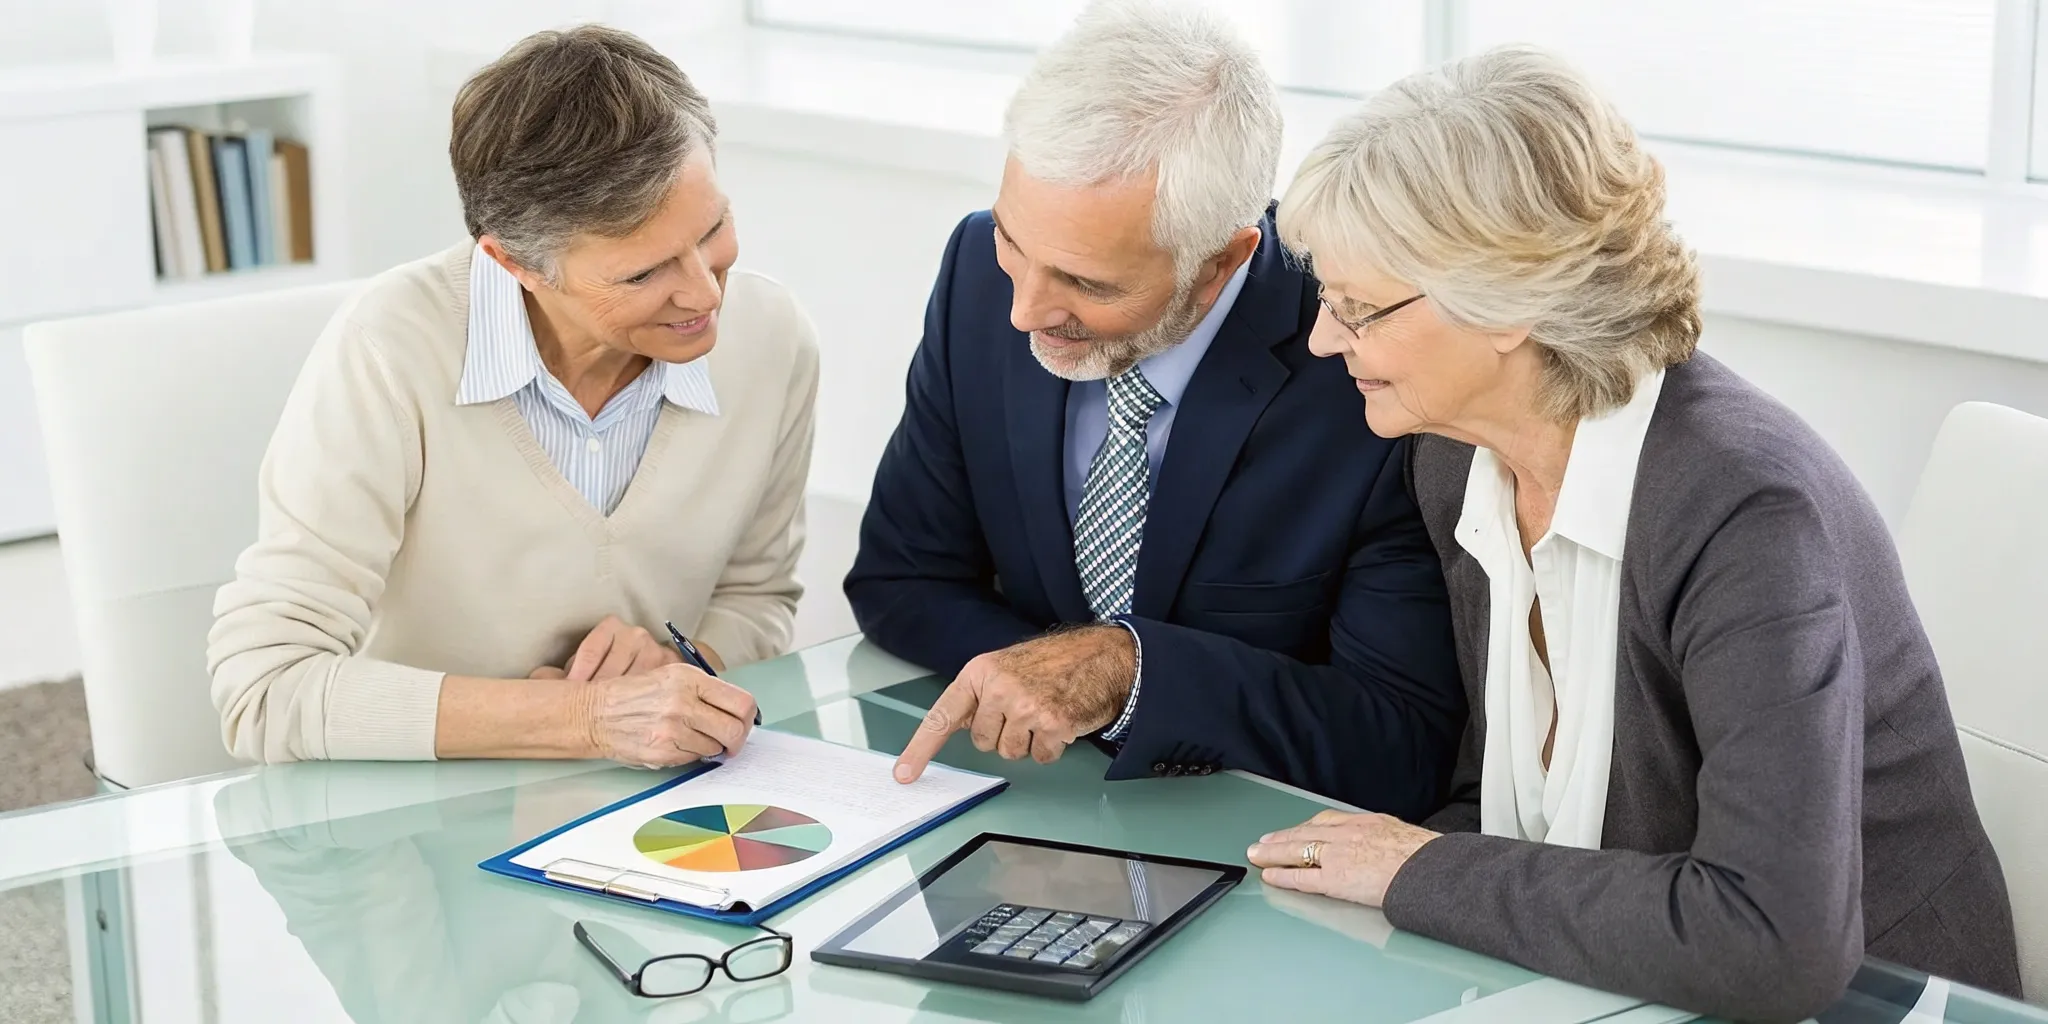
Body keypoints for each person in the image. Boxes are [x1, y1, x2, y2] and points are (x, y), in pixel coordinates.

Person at [1243, 46, 2023, 1020]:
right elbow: (1508, 806)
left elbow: (1773, 945)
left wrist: (1420, 871)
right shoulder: (1458, 458)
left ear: (1507, 302)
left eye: (1357, 310)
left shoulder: (1743, 514)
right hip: (1614, 982)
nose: (1323, 340)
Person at [849, 0, 1463, 818]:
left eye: (1087, 283)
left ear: (1224, 259)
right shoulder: (976, 268)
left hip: (1252, 849)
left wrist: (1129, 675)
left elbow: (1401, 741)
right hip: (1018, 804)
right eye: (1013, 242)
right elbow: (901, 579)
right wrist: (1050, 682)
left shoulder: (1362, 371)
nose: (1024, 310)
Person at [208, 26, 818, 766]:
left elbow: (757, 597)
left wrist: (680, 669)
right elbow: (263, 688)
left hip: (647, 809)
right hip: (409, 829)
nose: (703, 291)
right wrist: (583, 716)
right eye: (642, 274)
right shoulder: (391, 351)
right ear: (512, 262)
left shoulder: (770, 338)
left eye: (713, 227)